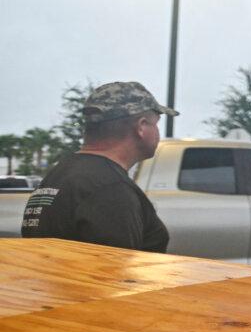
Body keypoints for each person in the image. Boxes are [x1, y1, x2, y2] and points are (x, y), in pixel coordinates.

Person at [21, 81, 176, 252]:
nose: (157, 132)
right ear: (141, 127)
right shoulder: (110, 189)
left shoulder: (60, 174)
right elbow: (116, 272)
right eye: (155, 124)